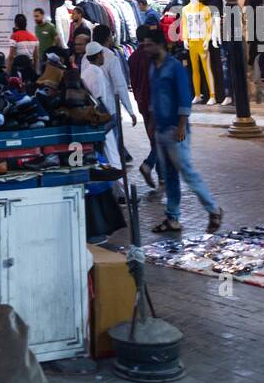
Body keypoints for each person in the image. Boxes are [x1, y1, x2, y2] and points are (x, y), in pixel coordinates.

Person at [144, 28, 223, 235]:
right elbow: (154, 97)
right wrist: (152, 122)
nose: (146, 49)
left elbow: (183, 96)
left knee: (187, 172)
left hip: (174, 129)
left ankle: (213, 209)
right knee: (170, 176)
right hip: (161, 129)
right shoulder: (154, 68)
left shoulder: (174, 67)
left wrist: (181, 126)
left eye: (149, 45)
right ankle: (172, 218)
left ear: (160, 44)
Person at [81, 42, 135, 170]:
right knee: (111, 150)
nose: (103, 57)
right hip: (103, 115)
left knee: (105, 148)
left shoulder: (86, 72)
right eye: (102, 54)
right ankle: (117, 177)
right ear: (98, 56)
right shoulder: (97, 72)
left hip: (96, 116)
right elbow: (99, 97)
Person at [129, 25, 160, 190]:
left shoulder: (132, 57)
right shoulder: (152, 55)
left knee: (154, 139)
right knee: (160, 140)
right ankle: (149, 164)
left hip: (141, 101)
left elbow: (132, 83)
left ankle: (161, 175)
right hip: (154, 101)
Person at [6, 13, 39, 85]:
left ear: (15, 24)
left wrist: (7, 72)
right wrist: (35, 71)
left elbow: (11, 56)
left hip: (17, 70)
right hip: (29, 68)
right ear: (26, 24)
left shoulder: (14, 36)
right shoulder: (34, 37)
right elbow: (36, 57)